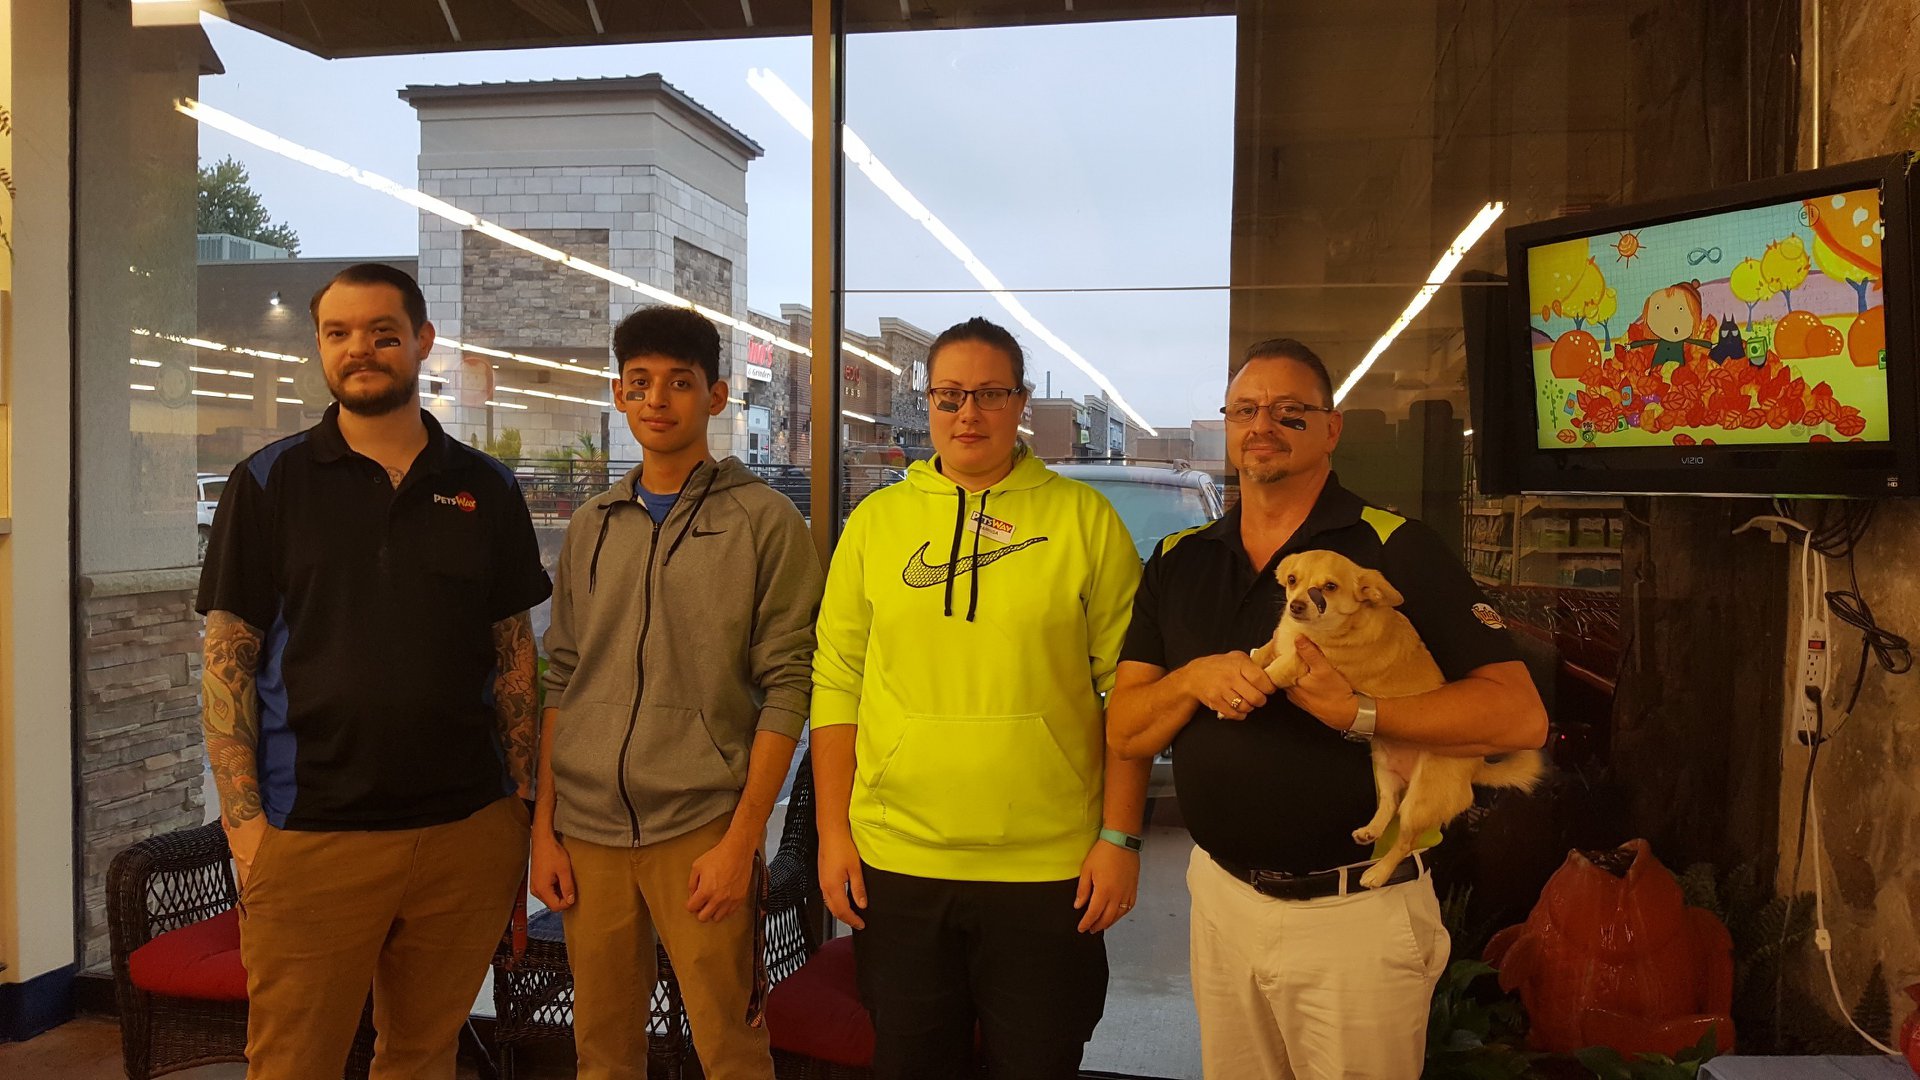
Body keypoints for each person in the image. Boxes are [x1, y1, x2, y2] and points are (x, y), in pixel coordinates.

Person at [1107, 338, 1549, 1080]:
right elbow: (1125, 729)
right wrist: (1192, 680)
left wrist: (1362, 713)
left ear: (1331, 428)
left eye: (1290, 412)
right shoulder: (1181, 558)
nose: (1263, 425)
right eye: (1245, 410)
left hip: (1356, 919)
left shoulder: (1394, 548)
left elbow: (1518, 717)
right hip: (1218, 901)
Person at [196, 262, 551, 1078]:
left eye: (383, 333)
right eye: (339, 333)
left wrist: (518, 815)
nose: (360, 349)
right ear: (321, 347)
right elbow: (227, 662)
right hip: (312, 835)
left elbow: (514, 658)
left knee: (423, 1058)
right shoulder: (269, 482)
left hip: (466, 833)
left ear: (422, 341)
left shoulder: (487, 488)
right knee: (293, 1063)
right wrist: (246, 828)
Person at [811, 316, 1151, 1079]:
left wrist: (1121, 837)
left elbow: (1128, 690)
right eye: (950, 395)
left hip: (1050, 868)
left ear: (1021, 402)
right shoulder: (875, 525)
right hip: (898, 861)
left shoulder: (1084, 521)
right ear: (928, 403)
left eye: (990, 394)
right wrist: (834, 833)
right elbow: (836, 681)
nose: (969, 413)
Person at [532, 305, 823, 1080]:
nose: (657, 400)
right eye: (640, 383)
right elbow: (563, 675)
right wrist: (544, 829)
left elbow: (789, 685)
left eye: (679, 383)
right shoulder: (592, 525)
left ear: (716, 396)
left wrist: (741, 841)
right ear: (619, 395)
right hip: (588, 833)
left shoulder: (765, 522)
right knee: (601, 1050)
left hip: (702, 829)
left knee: (730, 1049)